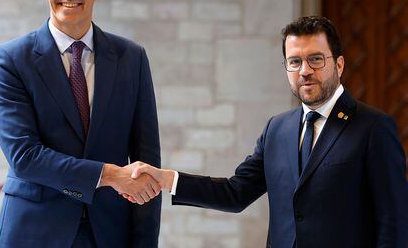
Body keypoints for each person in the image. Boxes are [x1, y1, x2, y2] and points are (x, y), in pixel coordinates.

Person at [128, 16, 408, 247]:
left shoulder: (373, 127)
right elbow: (235, 193)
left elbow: (393, 223)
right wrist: (166, 179)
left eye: (316, 60)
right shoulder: (277, 129)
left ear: (339, 64)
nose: (304, 71)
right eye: (295, 61)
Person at [0, 0, 161, 247]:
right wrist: (110, 175)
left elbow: (146, 163)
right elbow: (24, 157)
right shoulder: (9, 60)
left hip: (109, 233)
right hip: (33, 233)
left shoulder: (131, 58)